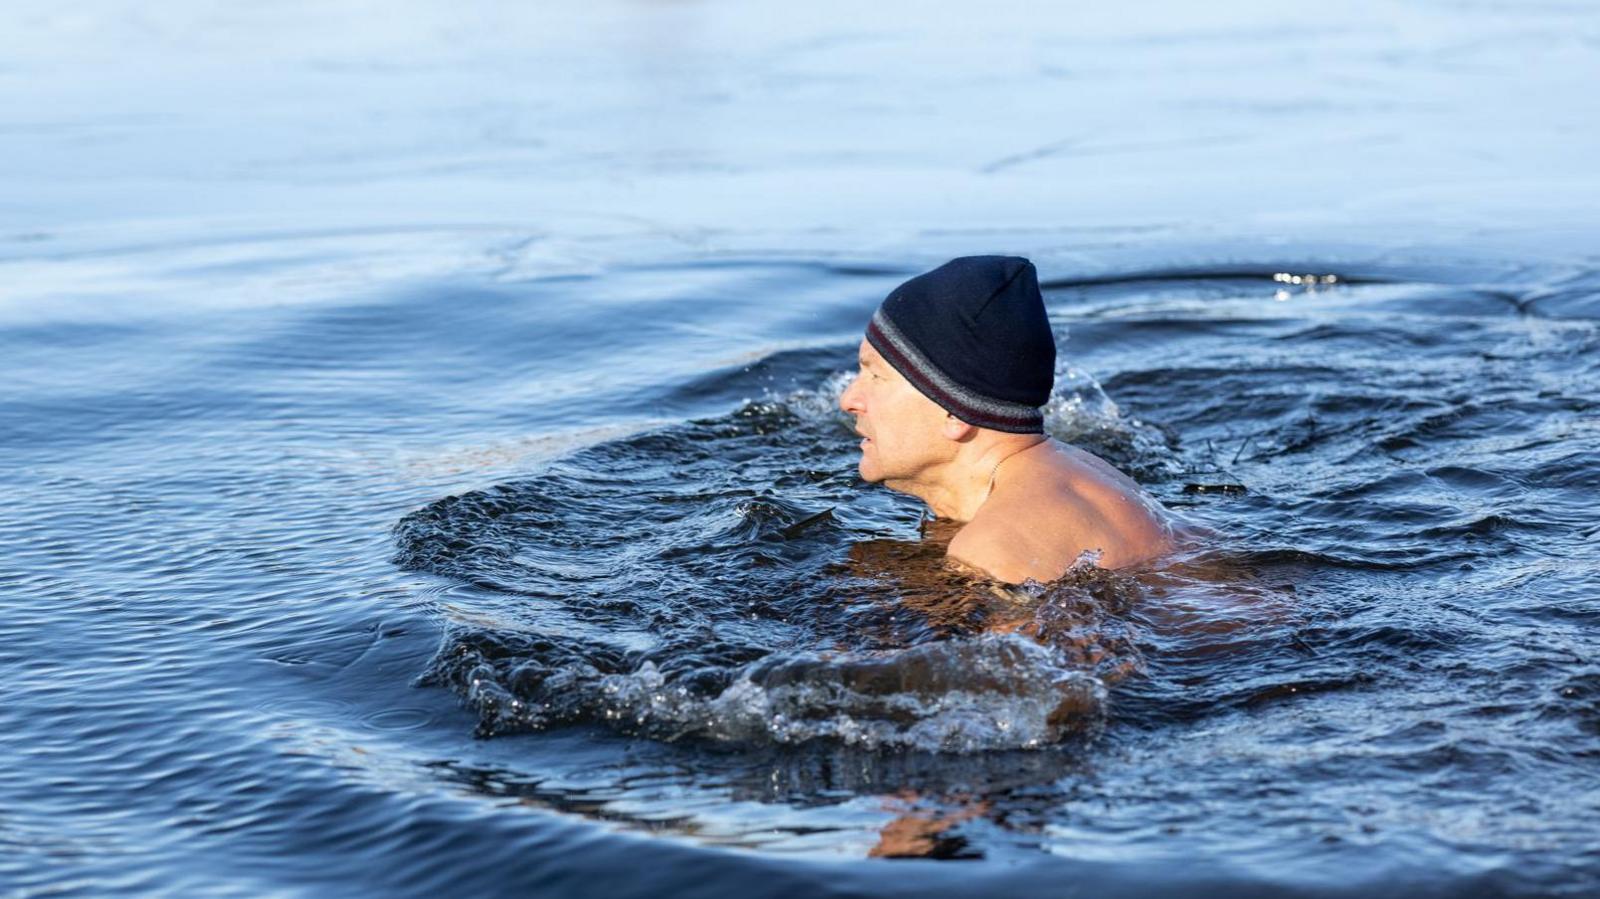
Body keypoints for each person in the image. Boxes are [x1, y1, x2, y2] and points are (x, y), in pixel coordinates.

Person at [837, 255, 1175, 583]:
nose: (848, 400)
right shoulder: (1085, 477)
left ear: (954, 409)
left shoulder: (994, 550)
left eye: (876, 376)